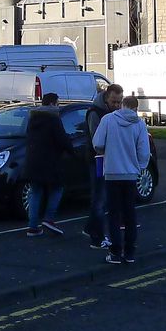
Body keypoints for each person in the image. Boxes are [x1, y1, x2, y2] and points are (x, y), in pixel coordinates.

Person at [93, 95, 151, 264]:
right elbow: (144, 151)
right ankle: (130, 251)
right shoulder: (139, 124)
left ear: (122, 105)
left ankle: (115, 251)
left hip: (112, 172)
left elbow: (97, 143)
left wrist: (107, 150)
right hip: (130, 174)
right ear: (135, 108)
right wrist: (139, 167)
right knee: (130, 214)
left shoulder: (108, 120)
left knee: (114, 214)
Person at [23, 93, 74, 237]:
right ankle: (49, 218)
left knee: (35, 192)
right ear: (52, 104)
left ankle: (33, 227)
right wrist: (72, 151)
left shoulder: (32, 118)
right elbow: (62, 139)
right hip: (50, 161)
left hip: (32, 161)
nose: (58, 106)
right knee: (57, 187)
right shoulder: (53, 118)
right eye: (57, 103)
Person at [83, 85, 122, 250]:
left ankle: (91, 228)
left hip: (108, 159)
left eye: (119, 102)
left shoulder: (111, 112)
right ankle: (97, 238)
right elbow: (96, 140)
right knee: (100, 198)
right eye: (114, 101)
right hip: (98, 160)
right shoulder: (95, 113)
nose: (117, 105)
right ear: (106, 98)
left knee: (102, 199)